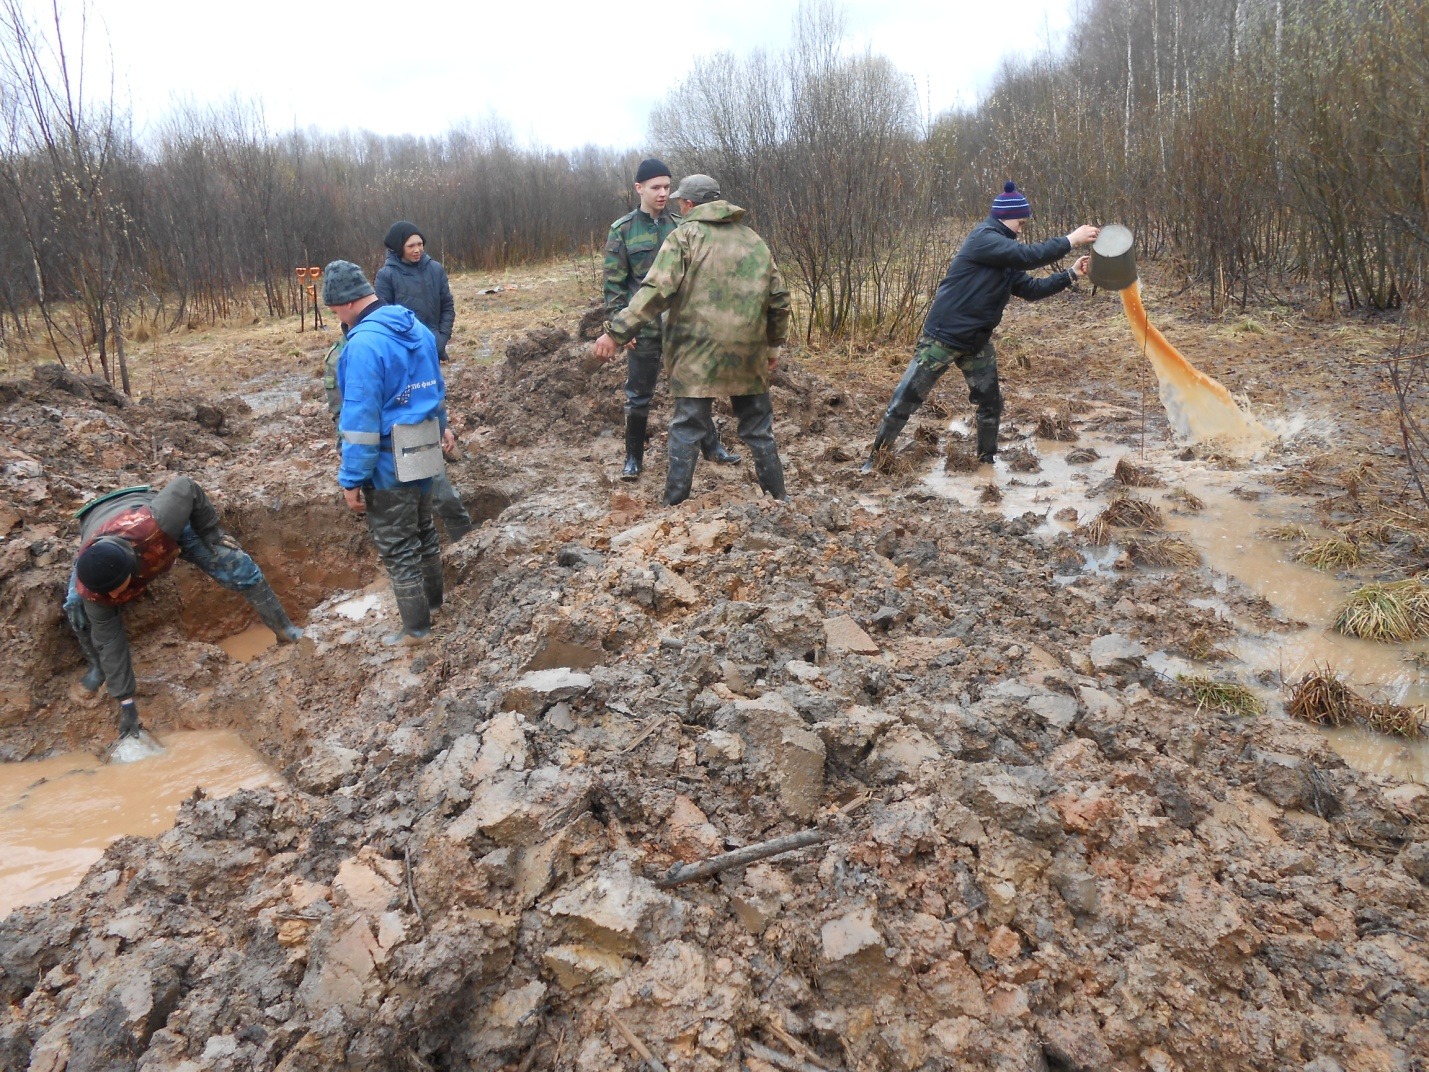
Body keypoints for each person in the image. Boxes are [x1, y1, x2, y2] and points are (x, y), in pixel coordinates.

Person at [860, 182, 1099, 472]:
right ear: (1006, 216)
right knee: (906, 400)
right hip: (944, 336)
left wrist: (1071, 274)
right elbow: (1028, 256)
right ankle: (874, 461)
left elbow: (1032, 290)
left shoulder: (1005, 255)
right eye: (1021, 222)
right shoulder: (984, 239)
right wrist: (1070, 239)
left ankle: (986, 462)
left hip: (976, 341)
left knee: (991, 404)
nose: (1022, 228)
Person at [594, 174, 790, 506]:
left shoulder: (683, 237)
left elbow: (654, 292)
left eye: (680, 202)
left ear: (688, 204)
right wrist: (773, 346)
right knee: (758, 429)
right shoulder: (753, 239)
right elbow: (779, 299)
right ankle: (779, 500)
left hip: (696, 355)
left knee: (686, 429)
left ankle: (673, 506)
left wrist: (616, 332)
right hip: (747, 354)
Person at [64, 477, 303, 738]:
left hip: (141, 515)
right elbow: (110, 640)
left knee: (236, 564)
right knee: (76, 607)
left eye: (115, 589)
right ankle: (97, 669)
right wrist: (127, 703)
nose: (112, 596)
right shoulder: (94, 589)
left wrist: (212, 532)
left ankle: (285, 629)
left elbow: (185, 486)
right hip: (95, 526)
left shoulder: (155, 525)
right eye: (106, 592)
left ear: (132, 571)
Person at [325, 259, 454, 647]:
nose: (338, 319)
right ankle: (434, 607)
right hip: (425, 446)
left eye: (335, 311)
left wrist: (352, 479)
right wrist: (443, 427)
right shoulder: (416, 326)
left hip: (388, 460)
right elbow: (435, 389)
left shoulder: (362, 344)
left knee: (399, 548)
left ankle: (416, 630)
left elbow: (361, 422)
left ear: (345, 304)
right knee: (424, 531)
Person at [603, 158, 739, 481]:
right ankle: (633, 458)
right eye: (656, 187)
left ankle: (712, 447)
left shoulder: (682, 227)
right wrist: (620, 326)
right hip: (644, 328)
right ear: (639, 189)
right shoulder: (622, 231)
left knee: (695, 387)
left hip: (681, 326)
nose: (663, 193)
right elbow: (613, 286)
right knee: (638, 395)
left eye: (667, 186)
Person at [374, 221, 473, 541]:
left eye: (420, 244)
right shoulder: (387, 276)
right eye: (411, 245)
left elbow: (448, 306)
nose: (417, 250)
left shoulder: (435, 270)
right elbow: (383, 318)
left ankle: (440, 441)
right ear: (398, 248)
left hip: (431, 347)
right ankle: (418, 452)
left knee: (433, 397)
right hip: (401, 356)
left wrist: (439, 341)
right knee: (412, 402)